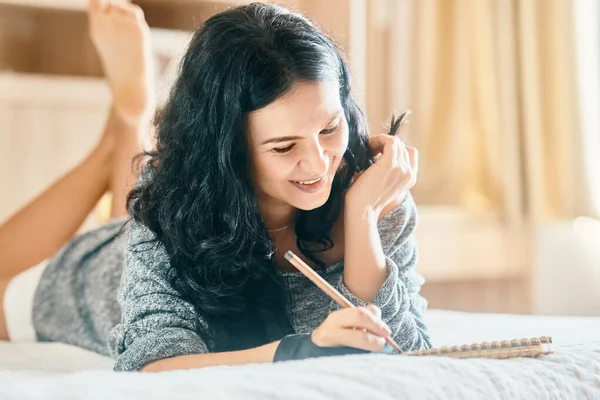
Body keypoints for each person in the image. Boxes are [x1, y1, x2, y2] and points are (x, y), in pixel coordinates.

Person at [0, 1, 431, 373]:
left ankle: (129, 123)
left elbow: (408, 351)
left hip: (151, 228)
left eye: (330, 127)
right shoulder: (169, 213)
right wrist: (302, 350)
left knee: (137, 200)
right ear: (228, 150)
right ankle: (127, 121)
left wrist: (363, 219)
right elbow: (153, 362)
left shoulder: (374, 192)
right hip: (90, 279)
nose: (320, 163)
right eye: (284, 147)